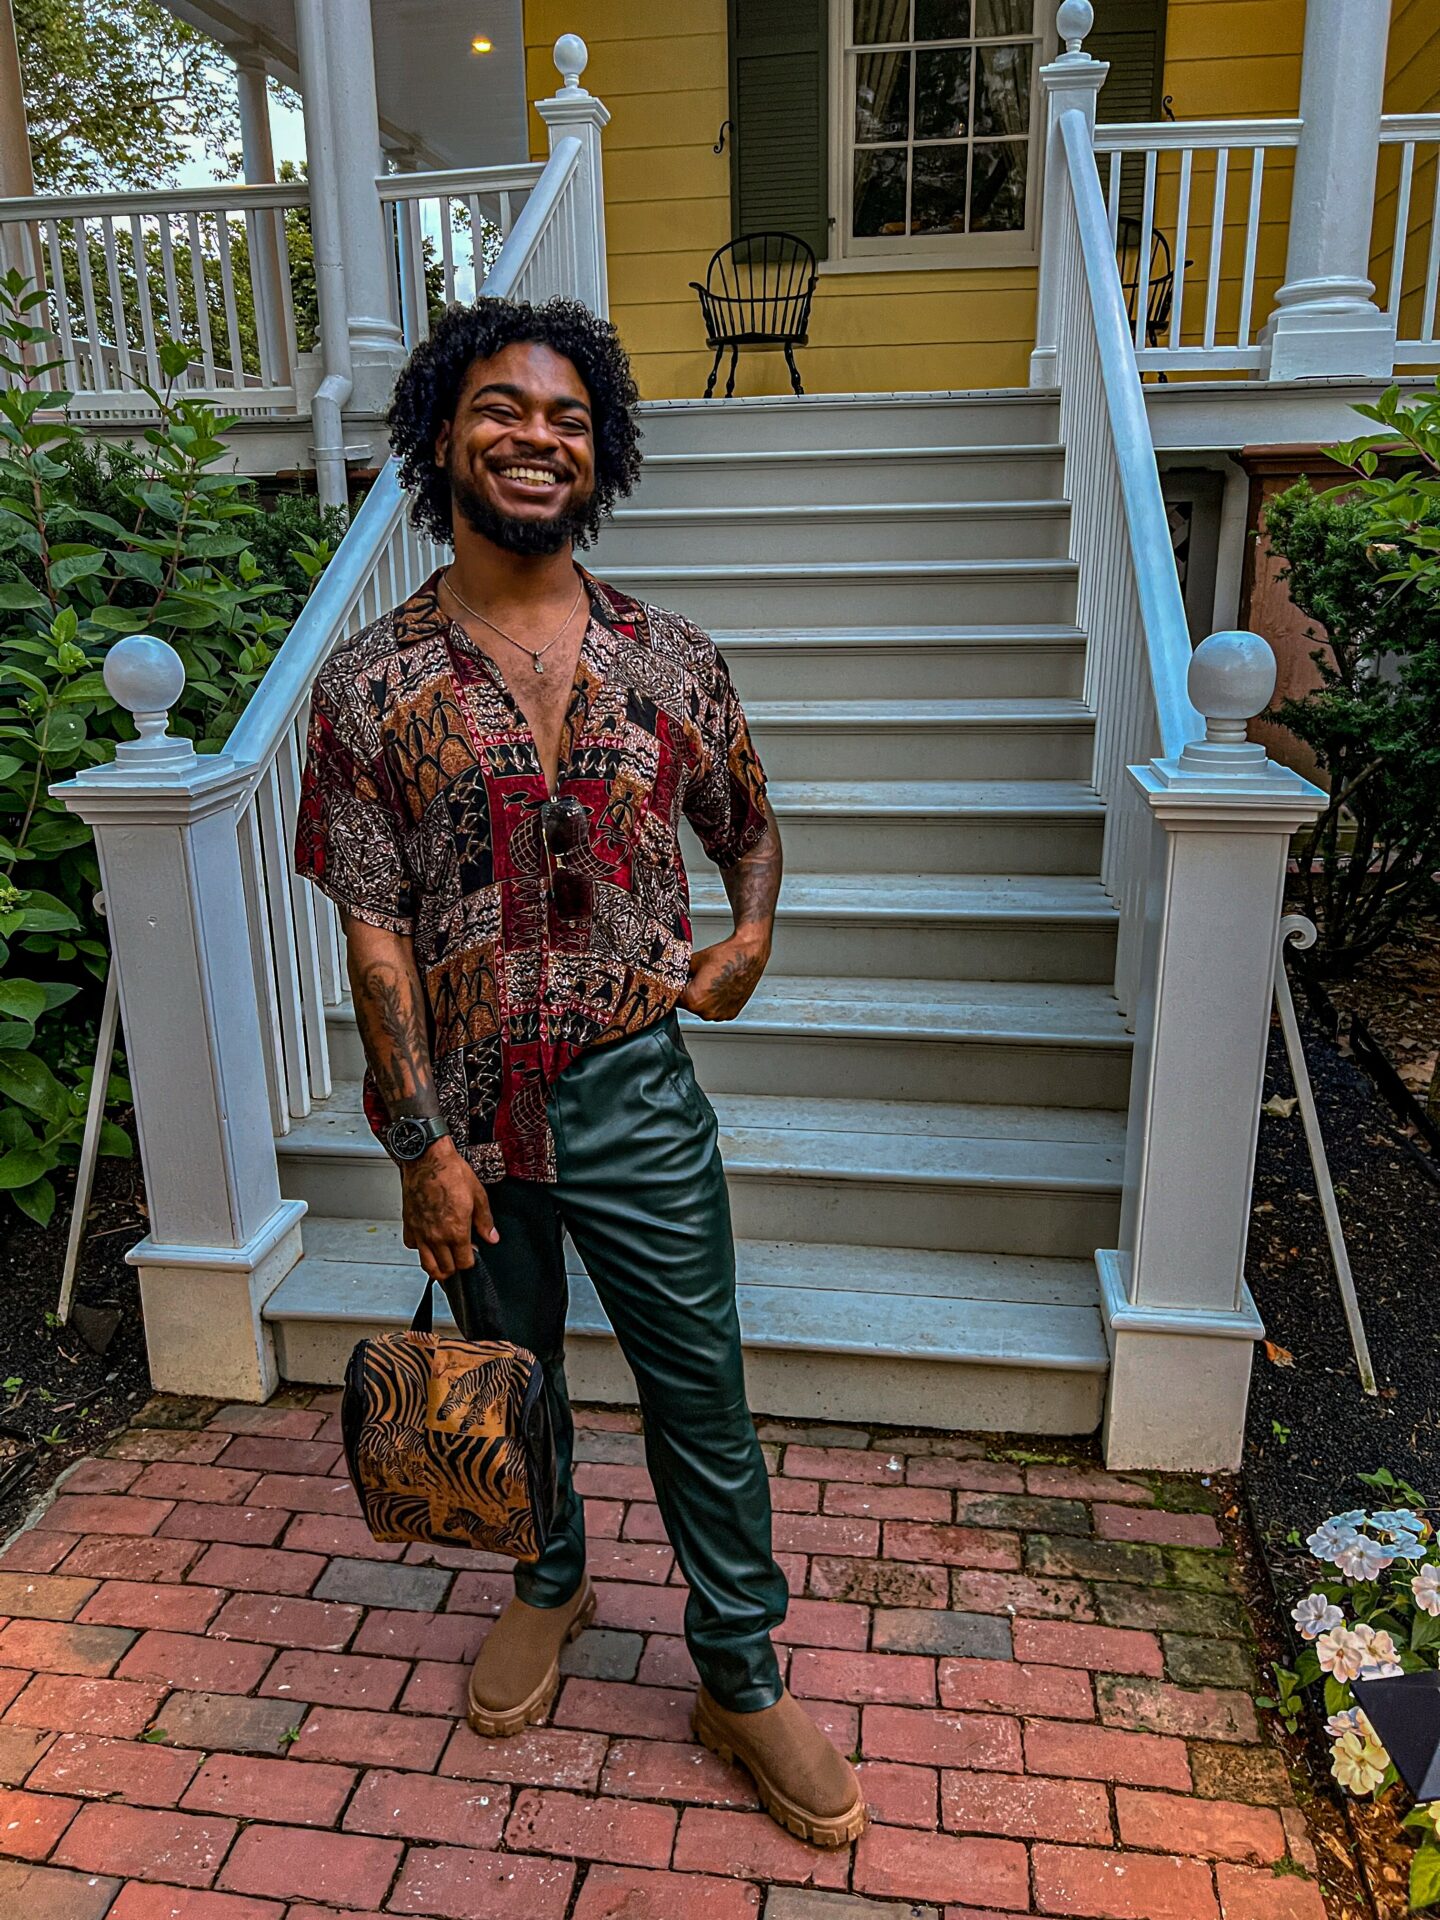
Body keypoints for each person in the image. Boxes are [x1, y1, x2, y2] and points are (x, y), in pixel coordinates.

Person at [292, 297, 867, 1849]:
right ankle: (548, 1582)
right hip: (471, 1115)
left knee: (703, 1394)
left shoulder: (669, 658)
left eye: (568, 416)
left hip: (636, 1092)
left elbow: (749, 827)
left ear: (598, 455)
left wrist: (751, 938)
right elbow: (375, 936)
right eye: (501, 407)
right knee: (511, 1371)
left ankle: (738, 1671)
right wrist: (420, 1146)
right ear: (441, 436)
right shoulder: (367, 686)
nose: (536, 436)